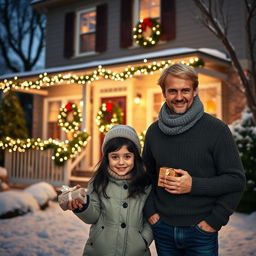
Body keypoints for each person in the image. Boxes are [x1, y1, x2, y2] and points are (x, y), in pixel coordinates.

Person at [142, 63, 246, 256]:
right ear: (164, 93)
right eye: (172, 91)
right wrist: (151, 213)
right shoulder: (154, 132)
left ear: (195, 91)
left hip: (201, 232)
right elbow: (145, 177)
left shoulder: (216, 130)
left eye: (185, 90)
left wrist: (213, 220)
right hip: (163, 229)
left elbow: (236, 181)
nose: (179, 97)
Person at [58, 125, 153, 256]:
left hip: (135, 251)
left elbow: (151, 217)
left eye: (127, 156)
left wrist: (143, 240)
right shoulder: (98, 181)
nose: (121, 162)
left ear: (135, 157)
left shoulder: (145, 184)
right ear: (107, 157)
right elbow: (93, 216)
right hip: (101, 250)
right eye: (115, 157)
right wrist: (83, 206)